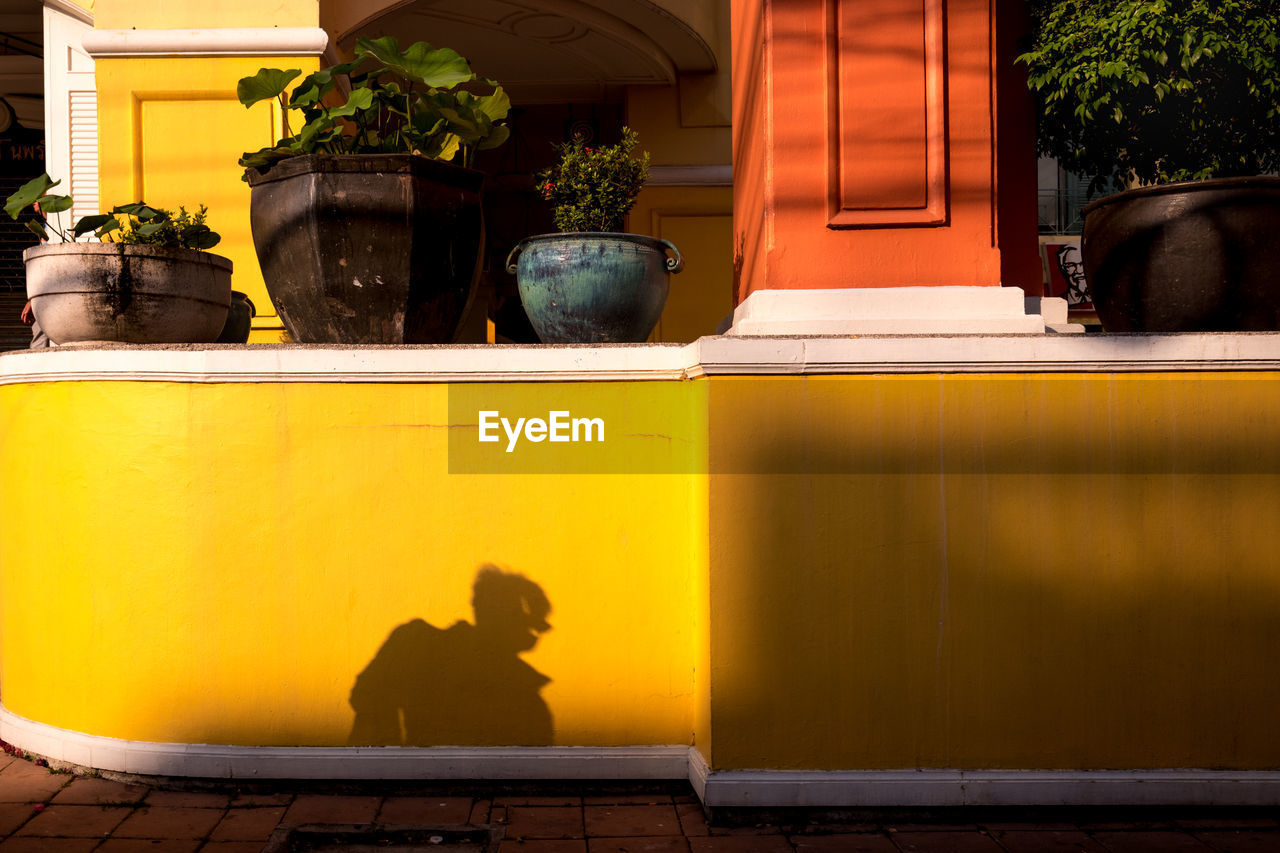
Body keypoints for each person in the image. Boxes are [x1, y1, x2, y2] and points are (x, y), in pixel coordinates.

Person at [348, 565, 554, 746]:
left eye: (537, 627)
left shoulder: (528, 703)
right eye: (530, 624)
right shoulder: (419, 644)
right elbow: (368, 695)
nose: (534, 635)